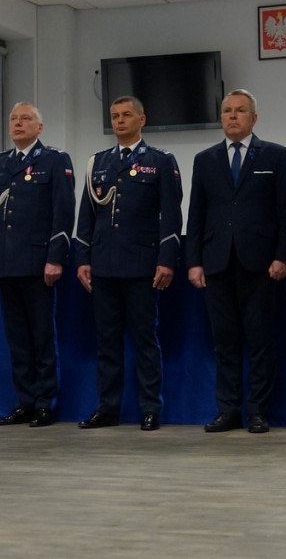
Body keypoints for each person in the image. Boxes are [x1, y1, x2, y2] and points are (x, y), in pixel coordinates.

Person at [186, 89, 286, 434]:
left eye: (240, 111)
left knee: (261, 341)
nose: (232, 116)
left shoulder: (275, 155)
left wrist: (282, 255)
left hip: (261, 264)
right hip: (217, 262)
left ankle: (258, 411)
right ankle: (228, 410)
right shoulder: (205, 159)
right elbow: (196, 214)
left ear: (254, 118)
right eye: (227, 111)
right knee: (225, 342)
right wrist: (194, 262)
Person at [74, 95, 183, 431]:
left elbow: (171, 214)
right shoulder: (98, 162)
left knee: (145, 339)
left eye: (125, 115)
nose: (119, 121)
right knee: (106, 341)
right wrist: (82, 259)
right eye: (114, 116)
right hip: (104, 264)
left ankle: (150, 408)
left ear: (141, 119)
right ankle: (107, 408)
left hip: (141, 265)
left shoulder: (160, 160)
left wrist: (167, 260)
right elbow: (87, 216)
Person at [0, 102, 75, 428]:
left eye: (25, 119)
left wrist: (55, 257)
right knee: (18, 339)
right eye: (13, 119)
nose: (18, 123)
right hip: (6, 263)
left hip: (38, 263)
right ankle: (24, 402)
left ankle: (44, 403)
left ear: (40, 127)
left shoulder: (54, 160)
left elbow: (63, 211)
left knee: (41, 337)